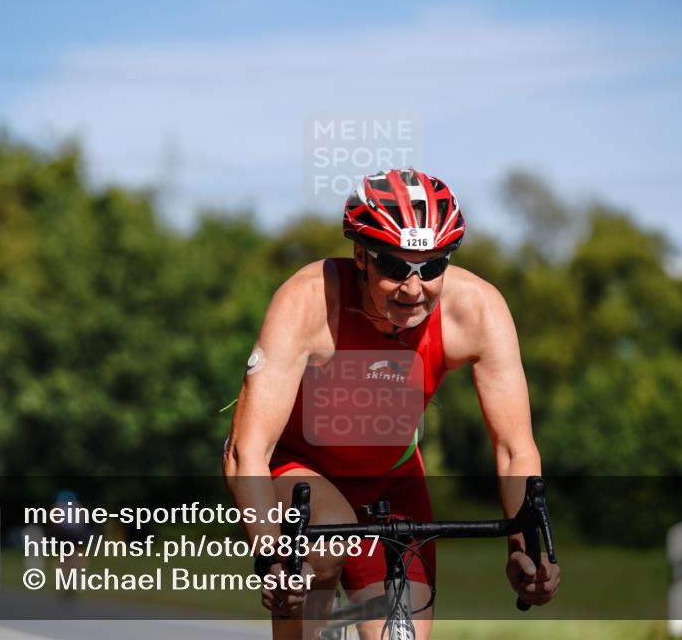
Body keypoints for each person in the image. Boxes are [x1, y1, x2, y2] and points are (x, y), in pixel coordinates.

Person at [223, 168, 560, 640]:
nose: (413, 288)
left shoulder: (478, 310)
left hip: (392, 482)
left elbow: (514, 449)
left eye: (432, 267)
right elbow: (247, 450)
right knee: (326, 535)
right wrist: (272, 556)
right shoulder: (309, 301)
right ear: (360, 255)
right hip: (294, 470)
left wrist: (525, 546)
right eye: (395, 267)